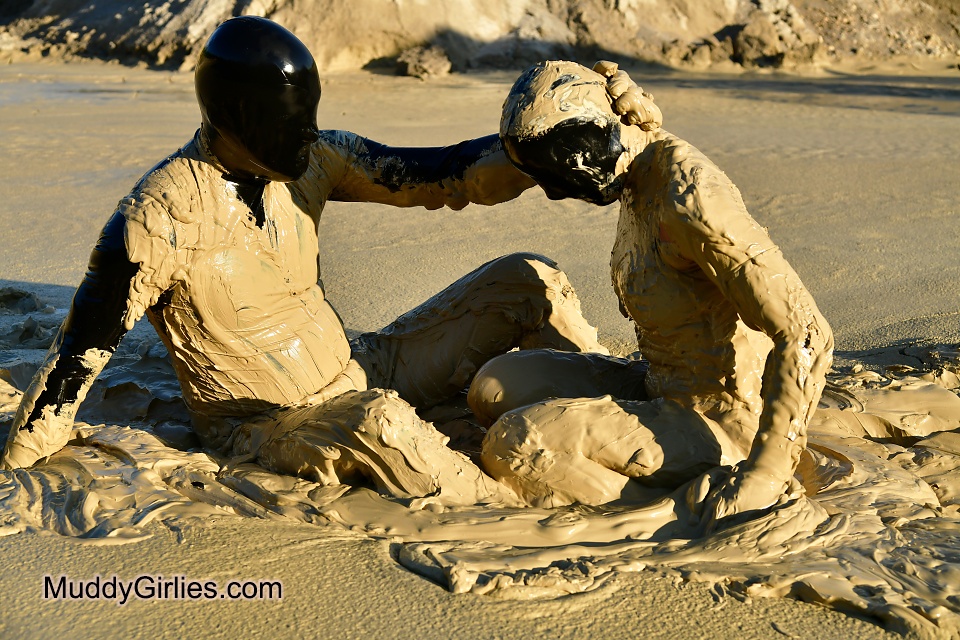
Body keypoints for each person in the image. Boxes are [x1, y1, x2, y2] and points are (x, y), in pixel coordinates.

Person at [0, 19, 613, 506]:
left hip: (360, 364)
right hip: (269, 421)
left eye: (310, 118)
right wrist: (25, 450)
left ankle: (626, 403)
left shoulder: (315, 157)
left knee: (527, 279)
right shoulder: (161, 218)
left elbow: (438, 175)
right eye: (289, 125)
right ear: (236, 119)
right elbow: (80, 348)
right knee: (384, 424)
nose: (308, 136)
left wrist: (538, 153)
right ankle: (517, 507)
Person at [469, 60, 834, 522]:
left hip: (725, 418)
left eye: (559, 174)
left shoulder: (692, 199)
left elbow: (806, 332)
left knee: (516, 443)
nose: (556, 195)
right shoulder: (637, 170)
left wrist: (766, 475)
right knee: (494, 386)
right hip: (660, 382)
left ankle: (657, 510)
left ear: (596, 141)